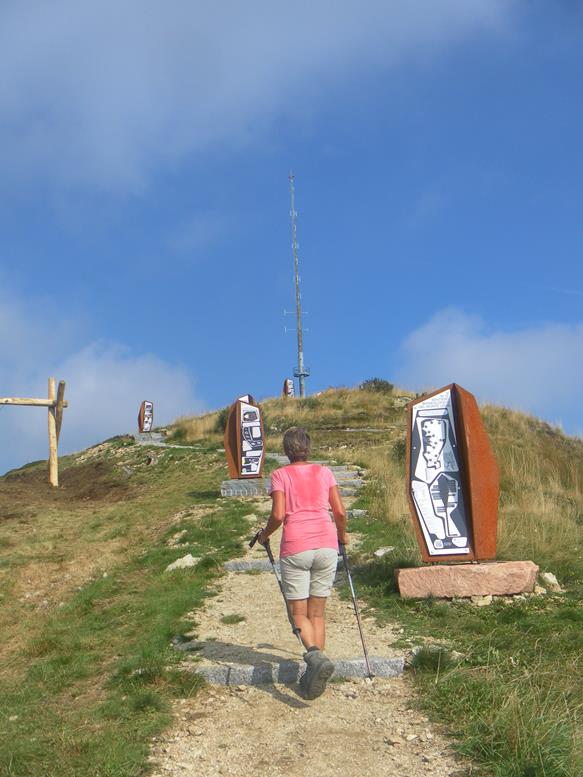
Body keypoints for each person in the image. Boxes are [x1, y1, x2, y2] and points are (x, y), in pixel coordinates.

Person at [256, 426, 348, 700]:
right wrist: (342, 536)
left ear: (286, 450)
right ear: (308, 447)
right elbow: (340, 511)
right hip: (327, 545)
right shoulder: (325, 472)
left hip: (296, 546)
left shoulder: (280, 475)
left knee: (298, 613)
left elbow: (278, 515)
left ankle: (316, 660)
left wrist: (264, 535)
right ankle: (314, 672)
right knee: (317, 613)